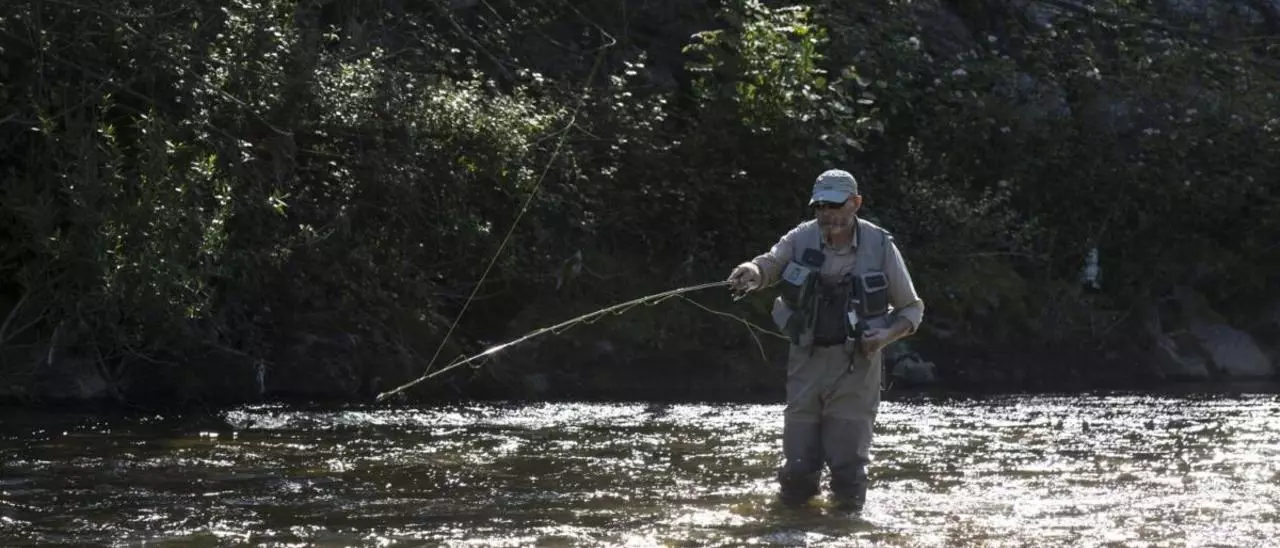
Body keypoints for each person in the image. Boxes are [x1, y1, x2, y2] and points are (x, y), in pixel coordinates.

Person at [727, 169, 925, 513]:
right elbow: (770, 264)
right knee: (798, 467)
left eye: (834, 205)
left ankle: (845, 530)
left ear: (855, 203)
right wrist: (753, 272)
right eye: (820, 206)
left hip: (857, 367)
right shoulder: (800, 237)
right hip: (807, 362)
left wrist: (885, 336)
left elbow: (911, 309)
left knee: (848, 470)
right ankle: (791, 525)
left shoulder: (880, 245)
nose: (826, 213)